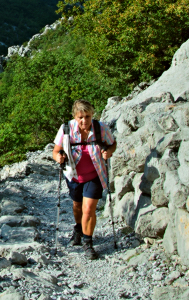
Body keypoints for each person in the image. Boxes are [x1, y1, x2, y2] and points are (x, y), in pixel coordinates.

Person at [52, 100, 116, 260]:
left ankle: (88, 243)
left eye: (87, 116)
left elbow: (112, 144)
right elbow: (55, 151)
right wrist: (58, 157)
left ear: (92, 115)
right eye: (80, 117)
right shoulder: (66, 129)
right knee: (77, 206)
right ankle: (78, 228)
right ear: (75, 116)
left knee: (89, 210)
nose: (84, 120)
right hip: (73, 175)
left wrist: (108, 152)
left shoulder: (101, 128)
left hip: (94, 175)